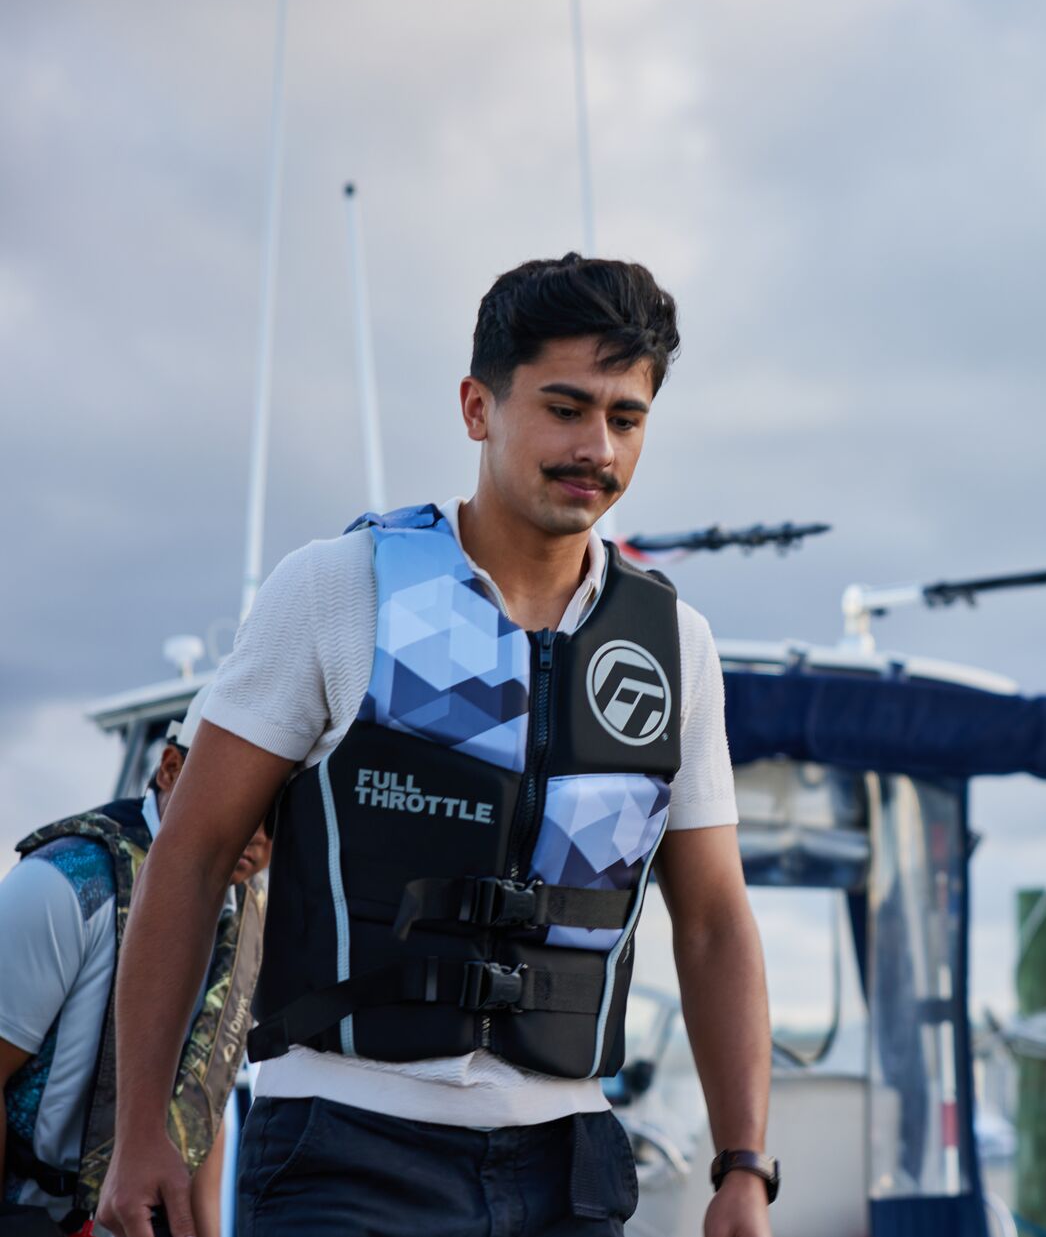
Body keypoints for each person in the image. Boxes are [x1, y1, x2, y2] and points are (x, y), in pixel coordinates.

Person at [96, 254, 777, 1237]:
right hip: (344, 1155)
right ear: (477, 407)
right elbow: (192, 856)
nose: (597, 447)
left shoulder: (679, 647)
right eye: (565, 407)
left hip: (573, 1169)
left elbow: (713, 921)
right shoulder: (336, 589)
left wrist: (743, 1166)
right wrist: (143, 1130)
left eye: (625, 418)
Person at [1, 693, 270, 1237]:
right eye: (241, 797)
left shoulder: (248, 910)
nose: (257, 831)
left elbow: (203, 1093)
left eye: (277, 811)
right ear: (170, 768)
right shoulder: (68, 881)